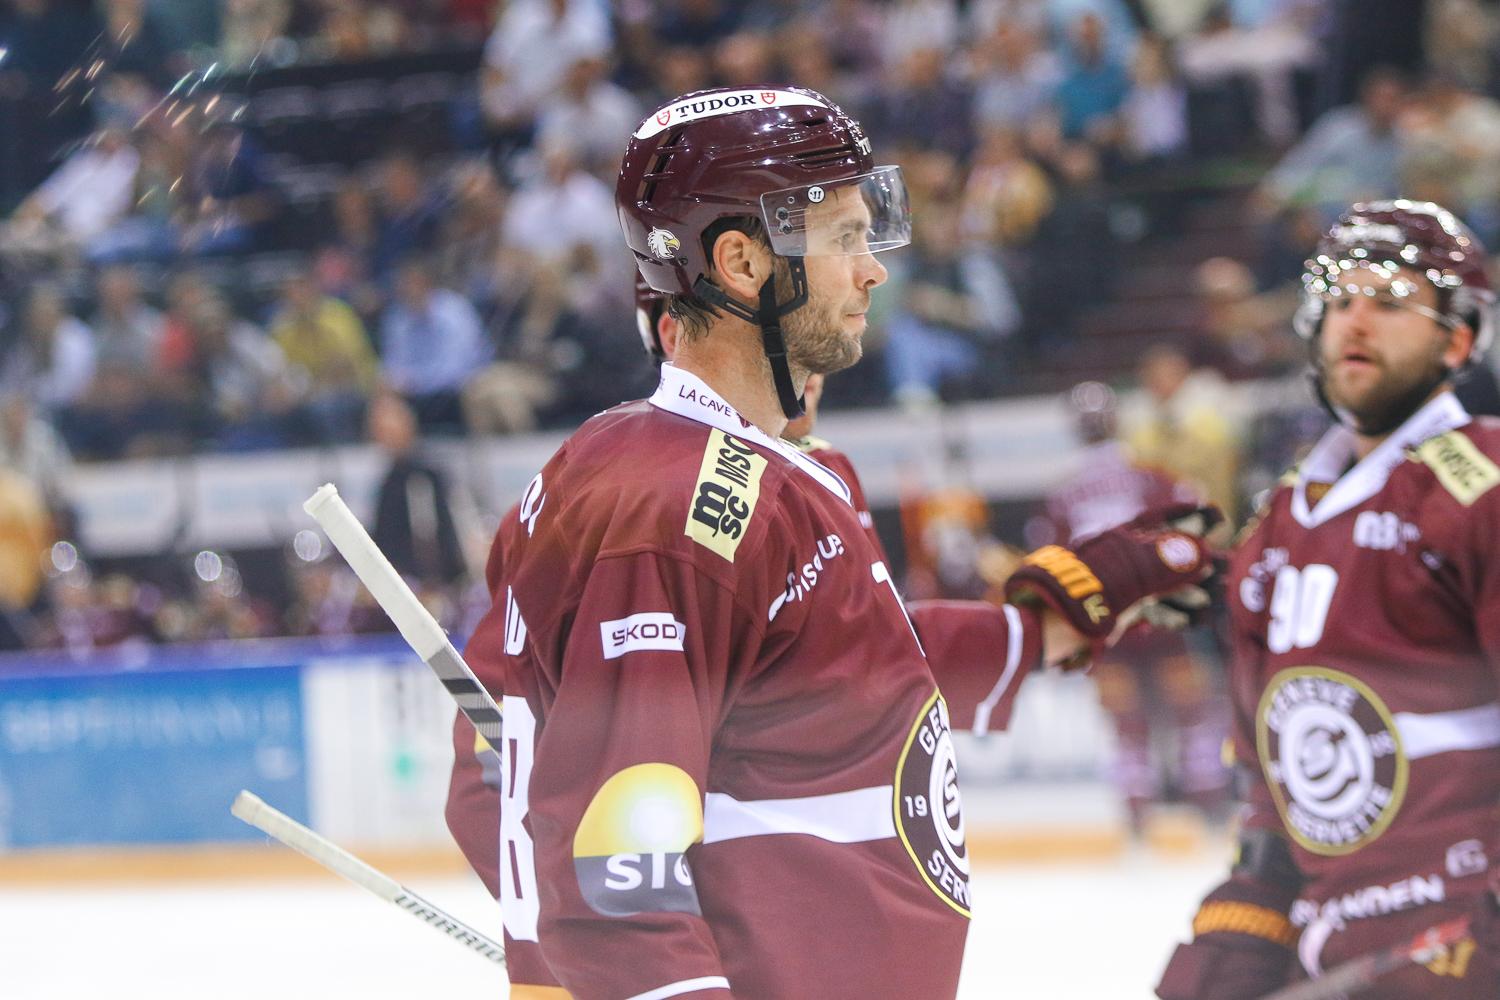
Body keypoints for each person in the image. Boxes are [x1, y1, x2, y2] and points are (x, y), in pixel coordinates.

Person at [458, 86, 1217, 999]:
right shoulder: (681, 509)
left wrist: (1036, 627)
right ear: (742, 262)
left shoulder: (734, 474)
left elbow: (822, 672)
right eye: (845, 238)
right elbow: (619, 881)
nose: (873, 271)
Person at [1157, 201, 1500, 999]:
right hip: (1334, 946)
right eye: (1339, 300)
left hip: (1465, 938)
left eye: (1390, 302)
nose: (1356, 321)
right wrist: (1234, 953)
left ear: (1457, 339)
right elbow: (1271, 793)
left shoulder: (1481, 490)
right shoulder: (1276, 525)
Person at [1033, 381, 1226, 831]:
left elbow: (1049, 563)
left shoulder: (1062, 495)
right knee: (1191, 711)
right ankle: (1206, 797)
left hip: (1102, 619)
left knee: (1127, 723)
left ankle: (1138, 808)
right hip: (1160, 612)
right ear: (1116, 420)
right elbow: (1198, 528)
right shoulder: (1152, 477)